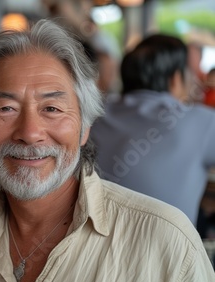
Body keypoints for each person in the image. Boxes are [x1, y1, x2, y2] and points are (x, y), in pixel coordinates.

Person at [0, 19, 215, 282]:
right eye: (4, 108)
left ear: (85, 128)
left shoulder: (167, 243)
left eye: (52, 108)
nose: (29, 133)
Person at [91, 34, 215, 226]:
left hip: (93, 246)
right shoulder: (201, 121)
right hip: (170, 252)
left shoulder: (94, 113)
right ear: (175, 78)